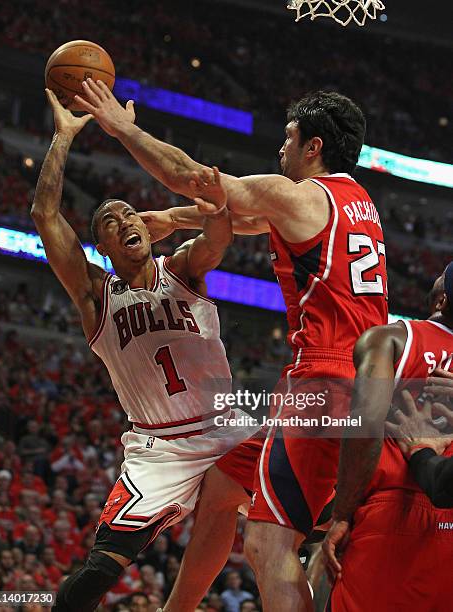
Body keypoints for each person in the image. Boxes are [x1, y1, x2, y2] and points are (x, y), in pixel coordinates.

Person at [76, 79, 388, 611]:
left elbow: (193, 179)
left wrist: (122, 127)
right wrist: (172, 221)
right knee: (222, 490)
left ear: (314, 146)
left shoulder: (298, 193)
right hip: (363, 383)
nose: (281, 148)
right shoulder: (355, 202)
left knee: (267, 545)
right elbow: (234, 217)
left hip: (325, 383)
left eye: (289, 138)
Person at [31, 90, 257, 612]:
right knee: (103, 565)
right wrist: (63, 138)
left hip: (227, 425)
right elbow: (45, 215)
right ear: (103, 248)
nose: (125, 221)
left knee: (309, 511)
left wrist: (196, 211)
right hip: (161, 446)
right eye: (110, 221)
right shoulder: (97, 296)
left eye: (130, 213)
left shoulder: (183, 269)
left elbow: (219, 236)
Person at [323, 263, 453, 611]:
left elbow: (365, 425)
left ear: (442, 299)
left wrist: (343, 515)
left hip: (392, 512)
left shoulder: (390, 338)